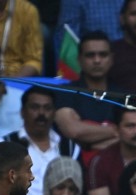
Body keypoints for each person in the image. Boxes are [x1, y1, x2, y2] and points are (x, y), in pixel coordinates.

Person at [0, 86, 80, 195]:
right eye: (35, 107)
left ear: (54, 113)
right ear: (22, 112)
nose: (41, 113)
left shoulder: (69, 148)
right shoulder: (5, 145)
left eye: (47, 108)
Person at [52, 31, 122, 160]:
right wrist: (114, 130)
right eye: (90, 55)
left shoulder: (123, 96)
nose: (97, 60)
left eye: (103, 55)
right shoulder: (65, 92)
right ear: (79, 59)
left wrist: (88, 144)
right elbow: (72, 130)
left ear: (111, 59)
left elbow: (130, 136)